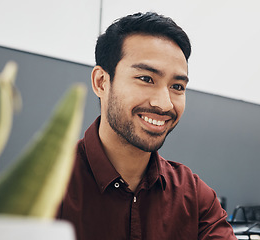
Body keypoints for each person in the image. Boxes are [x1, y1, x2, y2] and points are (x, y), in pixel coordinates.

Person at [57, 12, 237, 240]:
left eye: (177, 87)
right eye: (146, 79)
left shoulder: (195, 197)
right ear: (101, 82)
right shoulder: (47, 186)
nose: (164, 104)